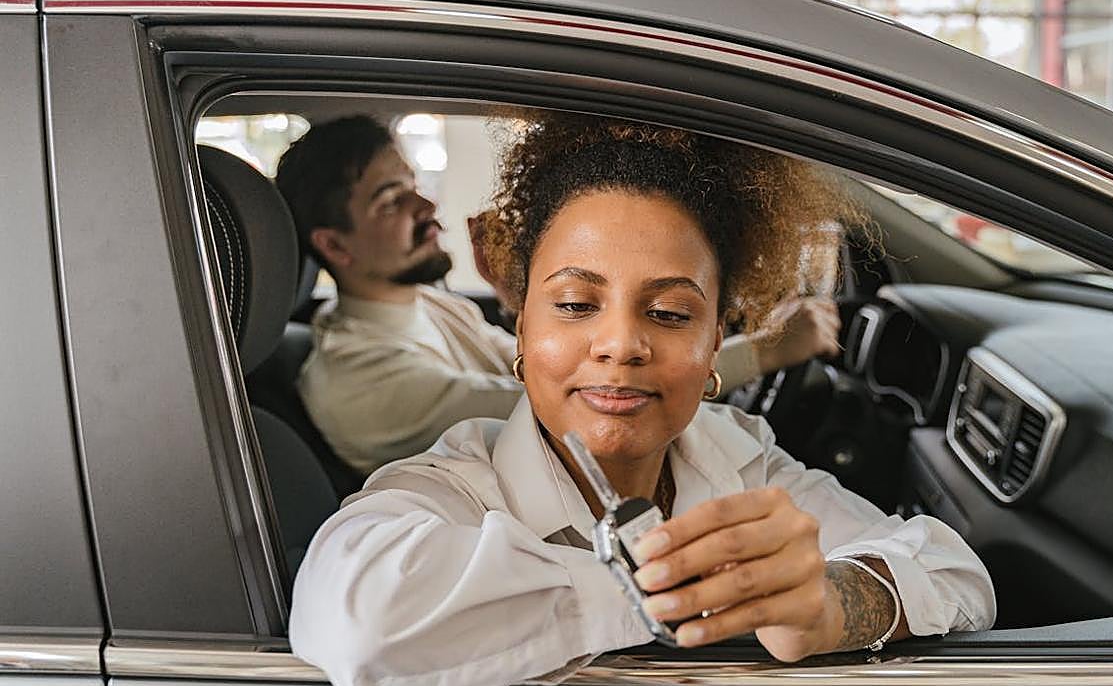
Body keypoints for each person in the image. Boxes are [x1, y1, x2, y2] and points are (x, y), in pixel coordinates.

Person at [289, 114, 996, 686]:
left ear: (716, 338)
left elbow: (959, 575)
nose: (621, 344)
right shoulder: (453, 485)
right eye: (573, 305)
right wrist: (684, 594)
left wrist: (830, 600)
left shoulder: (737, 454)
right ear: (521, 327)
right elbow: (360, 616)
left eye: (668, 313)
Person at [275, 115, 843, 475]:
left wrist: (520, 297)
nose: (425, 209)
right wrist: (765, 351)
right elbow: (563, 405)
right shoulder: (360, 382)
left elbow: (526, 366)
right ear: (336, 246)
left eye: (416, 187)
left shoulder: (431, 307)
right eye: (391, 200)